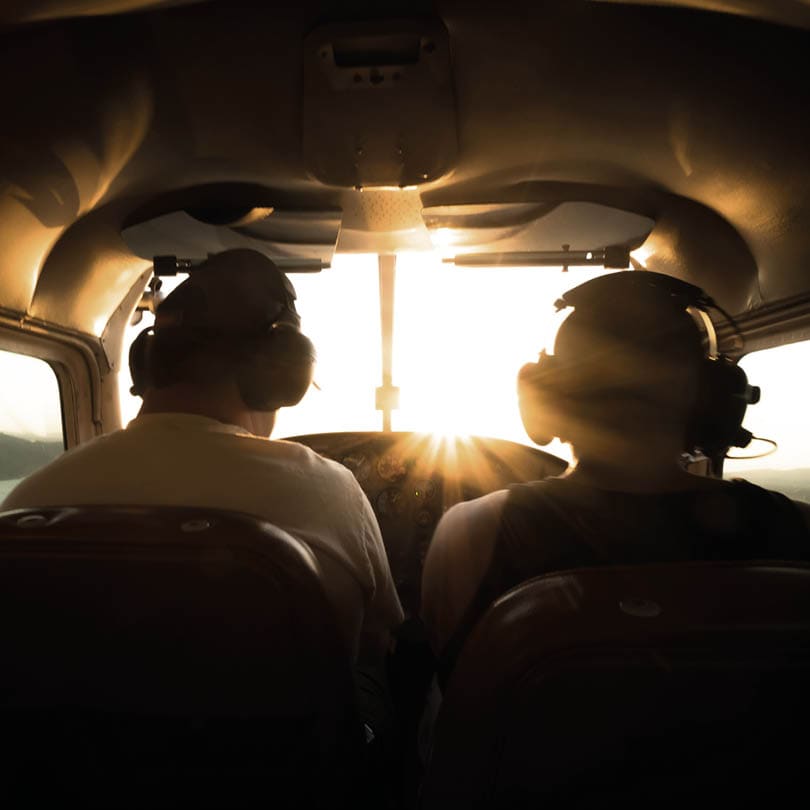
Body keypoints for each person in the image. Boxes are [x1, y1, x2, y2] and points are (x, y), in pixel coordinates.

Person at [2, 248, 404, 665]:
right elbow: (380, 636)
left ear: (147, 364)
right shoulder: (330, 492)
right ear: (281, 374)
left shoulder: (27, 508)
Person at [421, 270, 810, 682]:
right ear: (712, 401)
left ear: (546, 398)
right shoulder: (798, 530)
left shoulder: (474, 534)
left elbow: (457, 691)